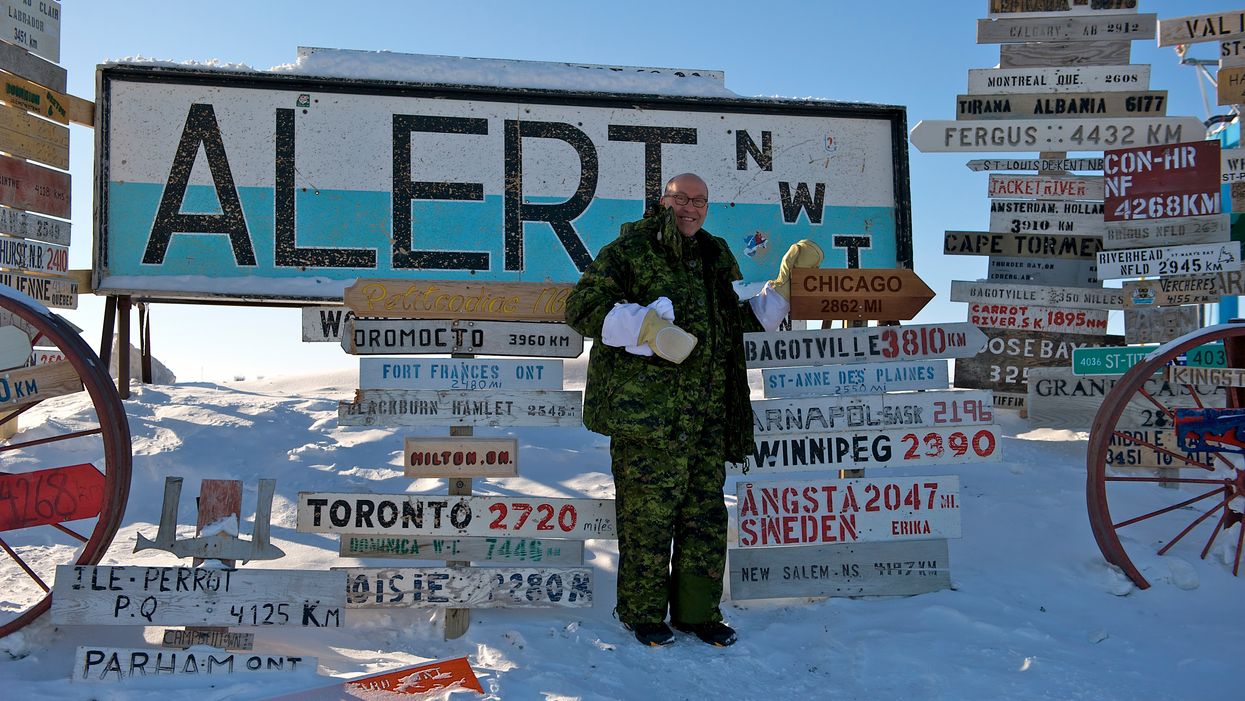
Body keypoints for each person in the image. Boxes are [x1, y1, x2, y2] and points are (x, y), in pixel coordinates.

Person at [565, 173, 822, 647]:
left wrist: (780, 293)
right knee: (647, 519)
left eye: (699, 201)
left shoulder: (712, 254)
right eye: (681, 198)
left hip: (706, 416)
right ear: (663, 200)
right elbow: (582, 306)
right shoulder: (632, 249)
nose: (690, 208)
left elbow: (727, 324)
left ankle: (698, 614)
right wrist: (643, 327)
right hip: (649, 419)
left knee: (704, 519)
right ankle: (643, 614)